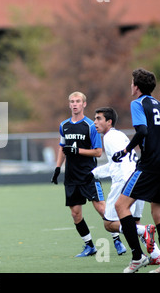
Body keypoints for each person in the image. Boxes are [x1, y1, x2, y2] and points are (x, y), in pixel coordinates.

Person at [112, 68, 160, 273]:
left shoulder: (137, 103)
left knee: (121, 206)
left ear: (137, 87)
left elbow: (141, 131)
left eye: (132, 83)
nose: (131, 86)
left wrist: (125, 150)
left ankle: (137, 256)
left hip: (150, 165)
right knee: (159, 214)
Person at [88, 107, 160, 263]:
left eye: (99, 118)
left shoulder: (109, 138)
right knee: (134, 221)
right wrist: (94, 172)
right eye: (95, 118)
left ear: (109, 122)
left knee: (109, 224)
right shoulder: (119, 135)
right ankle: (157, 256)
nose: (95, 122)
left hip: (125, 182)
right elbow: (115, 163)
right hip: (137, 178)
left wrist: (127, 186)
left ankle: (145, 231)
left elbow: (121, 165)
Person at [51, 91, 106, 257]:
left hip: (89, 175)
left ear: (84, 104)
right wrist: (57, 168)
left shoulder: (91, 126)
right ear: (69, 104)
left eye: (78, 101)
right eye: (72, 101)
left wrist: (77, 150)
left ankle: (118, 239)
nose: (75, 104)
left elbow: (98, 152)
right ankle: (89, 246)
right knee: (75, 213)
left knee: (102, 210)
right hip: (72, 177)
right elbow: (62, 148)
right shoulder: (64, 125)